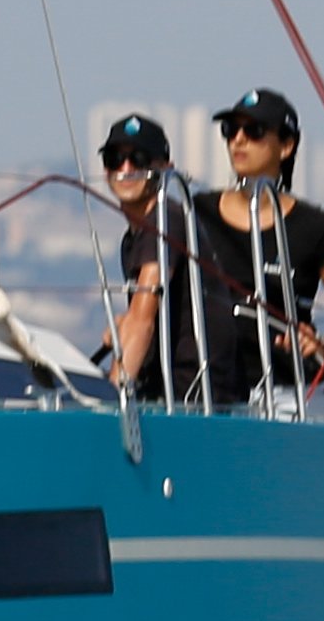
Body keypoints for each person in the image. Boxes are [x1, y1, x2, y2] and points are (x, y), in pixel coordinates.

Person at [205, 87, 324, 407]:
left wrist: (321, 344)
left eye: (253, 131)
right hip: (211, 388)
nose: (238, 140)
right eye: (230, 130)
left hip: (286, 393)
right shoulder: (197, 213)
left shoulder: (318, 229)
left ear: (286, 146)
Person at [96, 114, 233, 407]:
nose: (126, 168)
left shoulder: (163, 219)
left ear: (164, 168)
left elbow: (142, 319)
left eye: (140, 159)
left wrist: (108, 406)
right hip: (166, 387)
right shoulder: (134, 237)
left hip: (195, 396)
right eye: (114, 159)